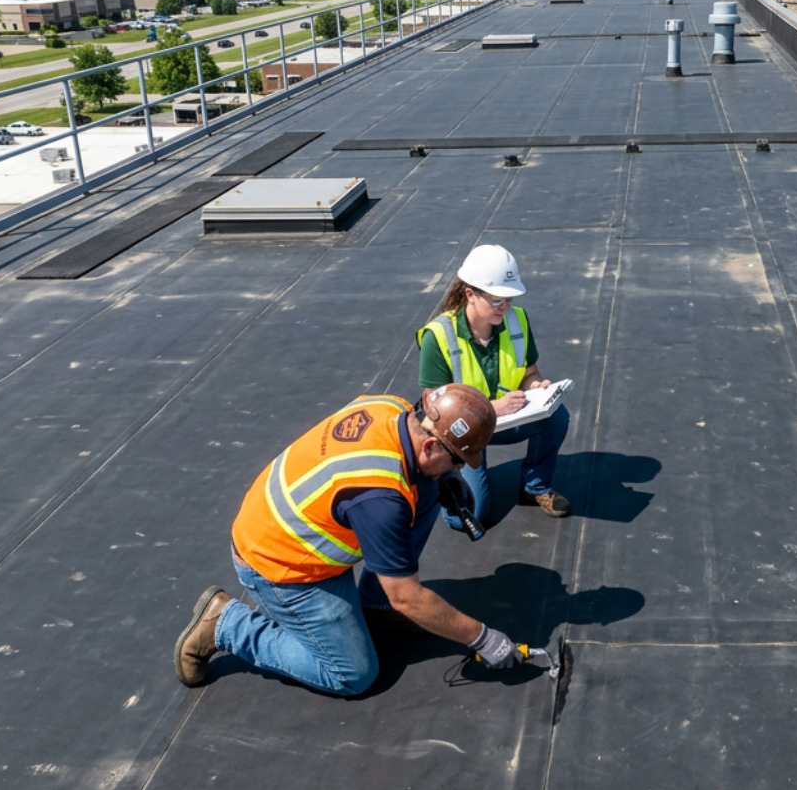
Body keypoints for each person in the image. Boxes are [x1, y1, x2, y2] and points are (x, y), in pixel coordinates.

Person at [173, 384, 524, 695]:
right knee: (353, 674)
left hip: (289, 523)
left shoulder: (391, 407)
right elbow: (408, 597)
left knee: (428, 488)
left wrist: (438, 478)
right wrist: (481, 637)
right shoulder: (381, 499)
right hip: (280, 565)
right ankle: (226, 624)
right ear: (430, 445)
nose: (460, 468)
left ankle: (375, 607)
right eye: (457, 460)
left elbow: (396, 473)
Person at [417, 244, 571, 524]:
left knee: (557, 416)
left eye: (509, 298)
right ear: (470, 294)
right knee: (468, 516)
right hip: (460, 434)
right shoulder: (438, 336)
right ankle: (441, 485)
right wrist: (490, 408)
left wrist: (536, 387)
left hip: (508, 420)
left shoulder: (517, 320)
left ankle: (535, 487)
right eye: (497, 299)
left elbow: (530, 372)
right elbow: (433, 412)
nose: (506, 306)